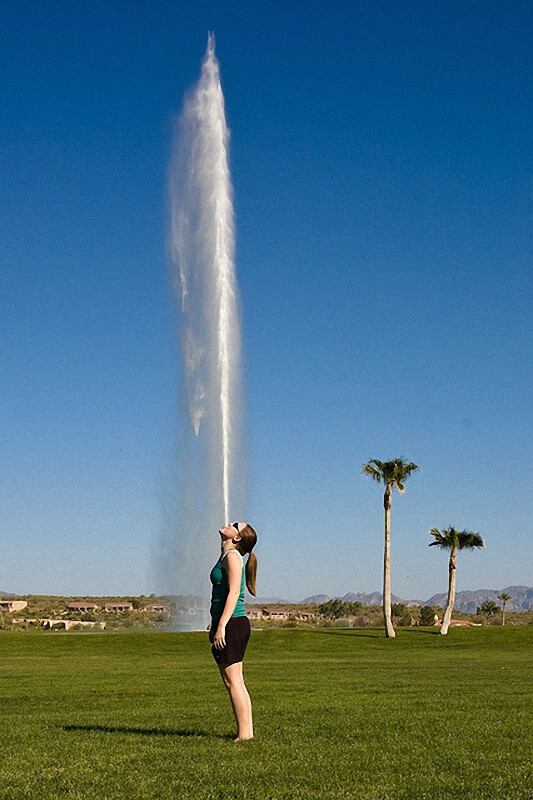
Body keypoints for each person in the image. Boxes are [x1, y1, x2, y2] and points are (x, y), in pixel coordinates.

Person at [209, 521, 257, 741]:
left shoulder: (233, 557)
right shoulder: (227, 556)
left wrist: (221, 626)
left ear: (237, 538)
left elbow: (234, 593)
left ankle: (245, 735)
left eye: (235, 525)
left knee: (233, 681)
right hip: (231, 623)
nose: (229, 523)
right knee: (235, 681)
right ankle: (246, 733)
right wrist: (215, 622)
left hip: (233, 624)